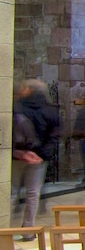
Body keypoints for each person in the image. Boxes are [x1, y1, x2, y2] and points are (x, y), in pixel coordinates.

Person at [10, 79, 60, 241]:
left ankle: (4, 229)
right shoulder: (50, 110)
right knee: (32, 193)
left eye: (23, 88)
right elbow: (54, 136)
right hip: (38, 158)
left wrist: (19, 152)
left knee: (11, 192)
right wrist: (42, 155)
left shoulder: (16, 107)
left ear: (29, 90)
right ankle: (28, 229)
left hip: (17, 156)